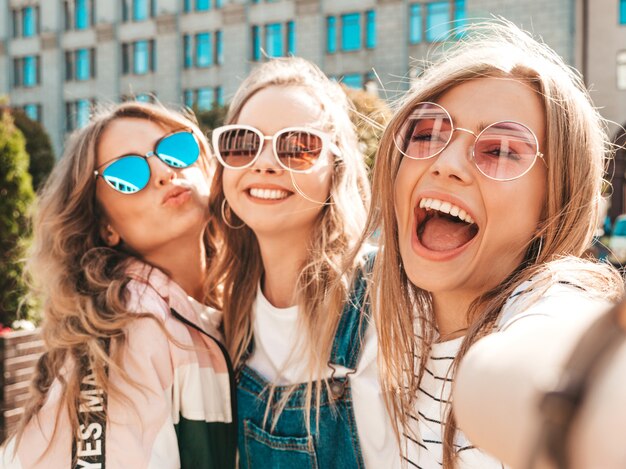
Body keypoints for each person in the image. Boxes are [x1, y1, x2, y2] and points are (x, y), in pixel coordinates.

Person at [353, 21, 623, 469]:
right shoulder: (392, 322)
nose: (446, 163)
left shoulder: (547, 305)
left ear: (551, 206)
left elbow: (557, 354)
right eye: (426, 134)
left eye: (499, 150)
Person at [1, 102, 237, 468]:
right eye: (127, 173)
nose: (163, 171)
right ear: (105, 227)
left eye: (176, 150)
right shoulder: (128, 328)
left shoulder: (225, 305)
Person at [206, 57, 398, 468]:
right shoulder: (230, 312)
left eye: (297, 146)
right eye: (242, 142)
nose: (265, 163)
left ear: (337, 167)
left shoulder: (387, 296)